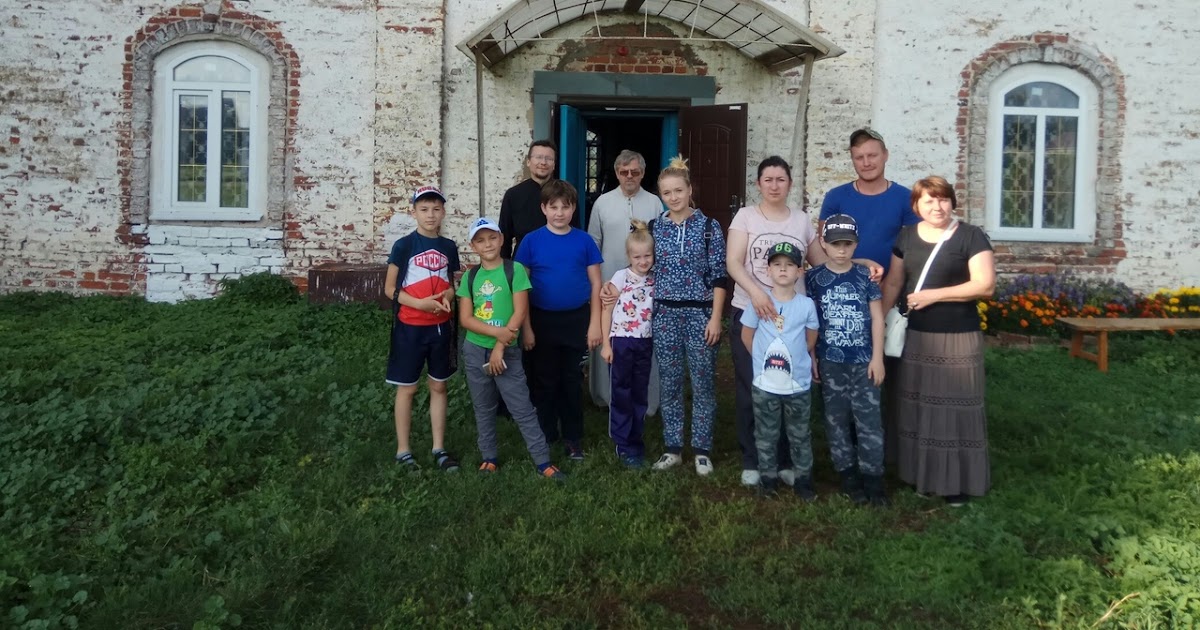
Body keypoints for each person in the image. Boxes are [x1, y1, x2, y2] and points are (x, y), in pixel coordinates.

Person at [881, 176, 995, 506]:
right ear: (916, 206)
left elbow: (985, 285)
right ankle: (921, 476)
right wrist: (877, 325)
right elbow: (894, 284)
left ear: (952, 202)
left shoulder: (971, 236)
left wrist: (933, 295)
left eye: (943, 199)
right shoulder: (906, 236)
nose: (937, 206)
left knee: (954, 411)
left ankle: (957, 484)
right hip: (916, 338)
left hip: (958, 339)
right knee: (917, 408)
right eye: (929, 201)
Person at [726, 156, 830, 488]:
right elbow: (733, 262)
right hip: (751, 313)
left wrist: (858, 264)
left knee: (787, 387)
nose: (774, 185)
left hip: (791, 319)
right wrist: (758, 294)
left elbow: (821, 263)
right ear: (758, 184)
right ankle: (752, 459)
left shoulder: (800, 221)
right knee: (752, 387)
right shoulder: (746, 216)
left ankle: (784, 459)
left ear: (790, 184)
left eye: (780, 179)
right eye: (768, 179)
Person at [819, 128, 920, 465]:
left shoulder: (905, 199)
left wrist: (881, 306)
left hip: (889, 300)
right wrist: (857, 263)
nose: (866, 162)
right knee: (843, 375)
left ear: (885, 155)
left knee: (885, 372)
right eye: (859, 157)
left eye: (872, 155)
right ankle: (845, 449)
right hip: (841, 306)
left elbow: (908, 255)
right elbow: (822, 249)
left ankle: (889, 450)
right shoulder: (836, 197)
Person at [457, 217, 566, 480]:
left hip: (507, 351)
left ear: (502, 239)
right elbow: (466, 319)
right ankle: (489, 457)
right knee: (483, 407)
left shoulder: (514, 270)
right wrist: (498, 333)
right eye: (480, 240)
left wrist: (500, 346)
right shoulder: (471, 276)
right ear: (473, 246)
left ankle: (542, 460)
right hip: (475, 350)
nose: (487, 244)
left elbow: (519, 311)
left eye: (492, 238)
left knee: (522, 408)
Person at [646, 156, 727, 476]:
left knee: (703, 381)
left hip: (700, 313)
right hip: (665, 313)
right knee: (670, 382)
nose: (673, 197)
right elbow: (642, 268)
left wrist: (716, 318)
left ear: (690, 189)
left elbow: (719, 276)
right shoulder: (655, 227)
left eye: (678, 190)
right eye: (667, 192)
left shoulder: (708, 227)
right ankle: (673, 448)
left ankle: (702, 450)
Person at [515, 179, 603, 461]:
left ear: (573, 208)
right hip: (541, 320)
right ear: (543, 208)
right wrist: (527, 328)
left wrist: (595, 324)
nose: (559, 213)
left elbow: (596, 283)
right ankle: (546, 432)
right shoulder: (531, 241)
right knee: (545, 380)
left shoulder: (584, 241)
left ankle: (573, 437)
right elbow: (520, 288)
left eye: (565, 207)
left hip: (576, 319)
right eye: (553, 207)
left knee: (571, 380)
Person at [806, 214, 889, 506]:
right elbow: (809, 321)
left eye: (847, 244)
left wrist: (877, 357)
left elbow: (877, 319)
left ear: (856, 244)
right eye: (835, 244)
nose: (841, 250)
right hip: (830, 360)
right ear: (823, 244)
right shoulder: (813, 279)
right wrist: (811, 355)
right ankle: (848, 475)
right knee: (836, 419)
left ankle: (873, 478)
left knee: (869, 420)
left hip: (864, 360)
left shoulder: (865, 276)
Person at [383, 185, 461, 471]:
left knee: (439, 385)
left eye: (436, 209)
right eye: (424, 209)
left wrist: (448, 296)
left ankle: (439, 447)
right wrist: (419, 304)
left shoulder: (448, 246)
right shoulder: (404, 245)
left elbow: (452, 284)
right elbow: (389, 289)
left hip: (440, 327)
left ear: (443, 213)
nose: (430, 215)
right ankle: (403, 450)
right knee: (407, 388)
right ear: (413, 212)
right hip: (410, 327)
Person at [739, 242, 820, 499]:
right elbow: (747, 335)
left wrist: (797, 357)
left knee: (800, 434)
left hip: (798, 385)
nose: (783, 269)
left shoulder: (806, 305)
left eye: (789, 265)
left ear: (799, 271)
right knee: (766, 434)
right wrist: (761, 359)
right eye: (777, 264)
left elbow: (810, 338)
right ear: (768, 270)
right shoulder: (759, 302)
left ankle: (803, 480)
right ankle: (768, 479)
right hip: (765, 386)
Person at [587, 150, 662, 412]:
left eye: (635, 172)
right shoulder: (602, 203)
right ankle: (605, 396)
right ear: (617, 173)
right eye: (624, 172)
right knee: (609, 334)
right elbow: (593, 244)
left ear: (643, 173)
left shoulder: (654, 202)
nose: (629, 176)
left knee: (645, 337)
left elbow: (659, 243)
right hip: (610, 281)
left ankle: (647, 401)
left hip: (644, 286)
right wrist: (598, 282)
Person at [599, 220, 656, 469]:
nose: (643, 261)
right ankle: (622, 442)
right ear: (628, 256)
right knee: (621, 391)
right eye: (637, 257)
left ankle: (636, 438)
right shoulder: (621, 277)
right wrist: (606, 344)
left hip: (644, 342)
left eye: (647, 256)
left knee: (639, 391)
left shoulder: (655, 278)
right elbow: (606, 309)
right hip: (621, 341)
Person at [499, 139, 557, 259]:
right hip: (523, 261)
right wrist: (505, 267)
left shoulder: (565, 193)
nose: (543, 162)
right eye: (538, 157)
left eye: (549, 158)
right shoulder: (513, 195)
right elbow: (504, 238)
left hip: (557, 259)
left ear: (554, 165)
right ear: (528, 162)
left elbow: (575, 231)